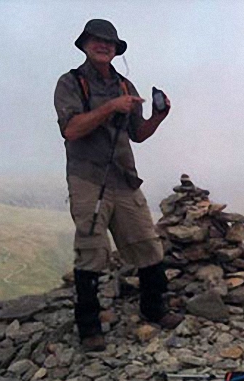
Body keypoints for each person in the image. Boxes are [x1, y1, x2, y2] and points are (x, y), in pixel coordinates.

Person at [54, 19, 183, 351]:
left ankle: (154, 309)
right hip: (87, 179)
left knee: (148, 245)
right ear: (85, 44)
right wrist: (110, 107)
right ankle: (89, 327)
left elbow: (137, 134)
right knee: (91, 251)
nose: (104, 45)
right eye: (97, 40)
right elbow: (71, 130)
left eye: (109, 42)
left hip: (124, 179)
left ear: (115, 49)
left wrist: (158, 116)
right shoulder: (71, 83)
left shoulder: (125, 85)